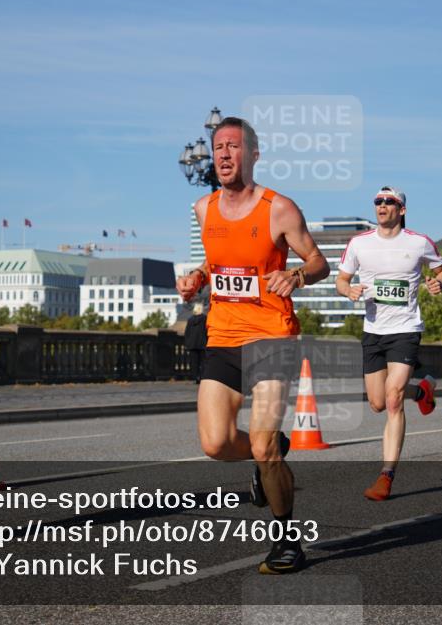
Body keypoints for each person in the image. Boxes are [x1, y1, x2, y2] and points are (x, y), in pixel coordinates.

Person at [175, 117, 329, 574]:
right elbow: (215, 257)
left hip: (270, 337)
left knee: (262, 449)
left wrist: (298, 275)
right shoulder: (204, 208)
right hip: (222, 335)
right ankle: (269, 455)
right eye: (217, 146)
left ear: (254, 154)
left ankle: (287, 541)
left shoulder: (279, 209)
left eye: (233, 147)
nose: (223, 154)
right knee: (216, 443)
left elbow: (317, 259)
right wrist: (198, 278)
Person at [335, 186, 442, 501]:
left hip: (406, 328)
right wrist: (349, 291)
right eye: (378, 202)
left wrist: (438, 282)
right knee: (377, 402)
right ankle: (421, 390)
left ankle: (386, 476)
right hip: (373, 331)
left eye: (389, 202)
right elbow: (341, 280)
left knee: (393, 399)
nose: (382, 206)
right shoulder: (359, 244)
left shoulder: (418, 242)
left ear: (401, 209)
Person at [184, 302, 208, 383]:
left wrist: (187, 344)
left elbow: (187, 333)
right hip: (203, 344)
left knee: (194, 362)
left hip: (192, 344)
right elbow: (207, 331)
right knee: (203, 362)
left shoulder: (190, 320)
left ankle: (196, 377)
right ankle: (202, 377)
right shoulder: (205, 318)